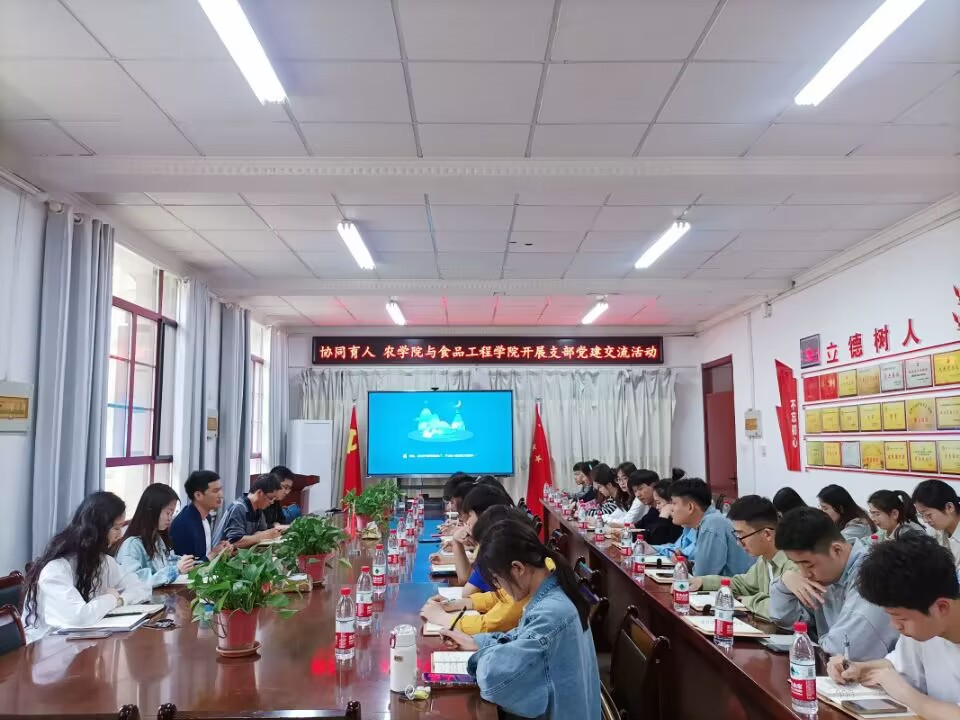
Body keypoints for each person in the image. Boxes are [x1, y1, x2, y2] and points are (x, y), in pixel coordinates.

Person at [438, 519, 600, 719]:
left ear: (518, 568)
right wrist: (475, 642)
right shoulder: (555, 593)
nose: (500, 588)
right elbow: (521, 638)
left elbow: (494, 678)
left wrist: (480, 656)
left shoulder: (551, 613)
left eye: (497, 579)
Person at [828, 535, 960, 716]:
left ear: (941, 607)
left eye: (901, 618)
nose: (895, 626)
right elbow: (897, 667)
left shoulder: (926, 627)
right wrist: (859, 668)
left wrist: (906, 694)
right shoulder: (924, 630)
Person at [769, 507, 898, 660]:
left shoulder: (873, 575)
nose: (804, 574)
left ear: (836, 550)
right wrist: (785, 582)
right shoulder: (828, 575)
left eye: (808, 564)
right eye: (796, 564)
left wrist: (817, 639)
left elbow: (844, 649)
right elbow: (787, 621)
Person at [22, 492, 151, 641]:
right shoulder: (56, 569)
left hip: (82, 642)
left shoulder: (103, 562)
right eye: (116, 528)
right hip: (46, 647)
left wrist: (120, 600)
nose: (120, 535)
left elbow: (142, 588)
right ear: (97, 529)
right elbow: (79, 618)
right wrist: (111, 598)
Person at [421, 506, 543, 634]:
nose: (467, 523)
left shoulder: (524, 591)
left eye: (496, 578)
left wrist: (442, 618)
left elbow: (489, 625)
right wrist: (453, 604)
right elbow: (499, 596)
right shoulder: (528, 572)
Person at [688, 495, 797, 620]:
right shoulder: (764, 560)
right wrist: (703, 582)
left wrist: (746, 600)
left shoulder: (794, 564)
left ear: (767, 534)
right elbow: (742, 584)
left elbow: (783, 610)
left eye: (741, 535)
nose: (738, 543)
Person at [668, 478, 752, 577]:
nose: (670, 508)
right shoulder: (708, 521)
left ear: (690, 507)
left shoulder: (711, 525)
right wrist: (688, 564)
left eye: (674, 503)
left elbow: (703, 576)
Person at [117, 484, 195, 587]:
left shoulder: (157, 539)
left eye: (172, 513)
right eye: (168, 513)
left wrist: (183, 563)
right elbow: (135, 581)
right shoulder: (132, 545)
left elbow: (165, 564)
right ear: (153, 510)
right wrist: (176, 570)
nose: (170, 518)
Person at [451, 483, 514, 592]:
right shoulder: (503, 537)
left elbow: (466, 587)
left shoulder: (496, 547)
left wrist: (456, 542)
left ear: (485, 515)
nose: (467, 522)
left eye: (470, 516)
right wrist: (456, 542)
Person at [170, 470, 233, 561]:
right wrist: (214, 554)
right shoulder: (184, 524)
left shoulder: (207, 517)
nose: (221, 495)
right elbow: (186, 565)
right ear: (198, 495)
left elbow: (205, 554)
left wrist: (221, 550)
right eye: (215, 491)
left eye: (220, 490)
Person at [212, 474, 283, 548]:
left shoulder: (259, 509)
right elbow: (234, 542)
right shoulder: (239, 508)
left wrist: (264, 535)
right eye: (271, 498)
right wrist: (263, 535)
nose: (272, 502)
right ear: (260, 493)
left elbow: (260, 532)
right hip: (222, 554)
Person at [912, 480, 960, 571]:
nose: (925, 520)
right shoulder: (935, 530)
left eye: (928, 515)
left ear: (949, 507)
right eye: (921, 515)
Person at [648, 479, 690, 554]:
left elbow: (656, 542)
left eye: (659, 503)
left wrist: (663, 518)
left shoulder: (681, 522)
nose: (657, 507)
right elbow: (674, 547)